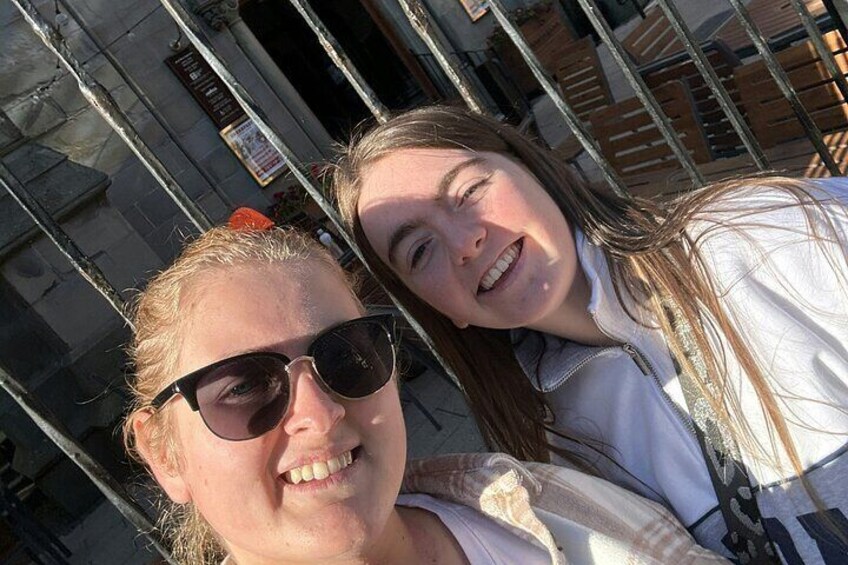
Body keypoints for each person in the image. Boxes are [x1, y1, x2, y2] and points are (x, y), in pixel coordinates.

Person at [331, 105, 848, 563]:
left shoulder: (776, 238)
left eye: (468, 191)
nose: (465, 243)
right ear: (437, 309)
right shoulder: (550, 441)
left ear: (532, 168)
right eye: (420, 251)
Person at [122, 224, 724, 565]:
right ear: (165, 456)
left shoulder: (534, 502)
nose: (321, 414)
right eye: (244, 386)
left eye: (346, 355)